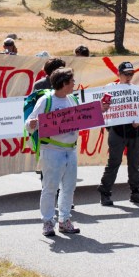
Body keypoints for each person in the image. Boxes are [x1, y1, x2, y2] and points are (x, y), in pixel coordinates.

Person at [27, 67, 112, 237]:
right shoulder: (46, 101)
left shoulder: (72, 99)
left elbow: (82, 116)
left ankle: (64, 220)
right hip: (52, 150)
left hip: (70, 150)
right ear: (64, 83)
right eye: (72, 81)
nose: (74, 84)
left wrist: (100, 110)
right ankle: (47, 222)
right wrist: (32, 124)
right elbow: (29, 122)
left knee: (69, 187)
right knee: (50, 188)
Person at [96, 61, 139, 206]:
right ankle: (105, 192)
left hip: (135, 131)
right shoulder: (111, 88)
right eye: (126, 74)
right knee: (114, 162)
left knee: (134, 164)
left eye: (131, 74)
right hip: (117, 131)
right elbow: (103, 107)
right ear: (119, 74)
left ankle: (135, 192)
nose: (129, 76)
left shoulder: (137, 90)